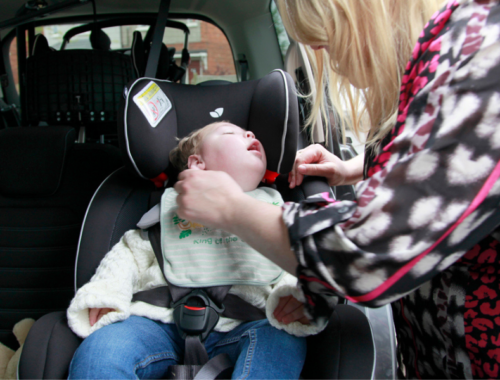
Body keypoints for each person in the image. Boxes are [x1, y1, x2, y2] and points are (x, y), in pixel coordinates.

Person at [174, 0, 500, 378]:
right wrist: (355, 168)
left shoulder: (483, 53)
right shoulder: (445, 55)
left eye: (322, 35)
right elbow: (442, 162)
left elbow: (368, 253)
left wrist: (232, 209)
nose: (314, 51)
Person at [66, 121, 324, 380]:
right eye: (229, 133)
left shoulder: (273, 213)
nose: (250, 133)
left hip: (246, 325)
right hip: (156, 321)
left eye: (250, 132)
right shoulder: (168, 213)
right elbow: (130, 253)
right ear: (197, 164)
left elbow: (297, 260)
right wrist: (106, 293)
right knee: (102, 350)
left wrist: (297, 296)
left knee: (281, 343)